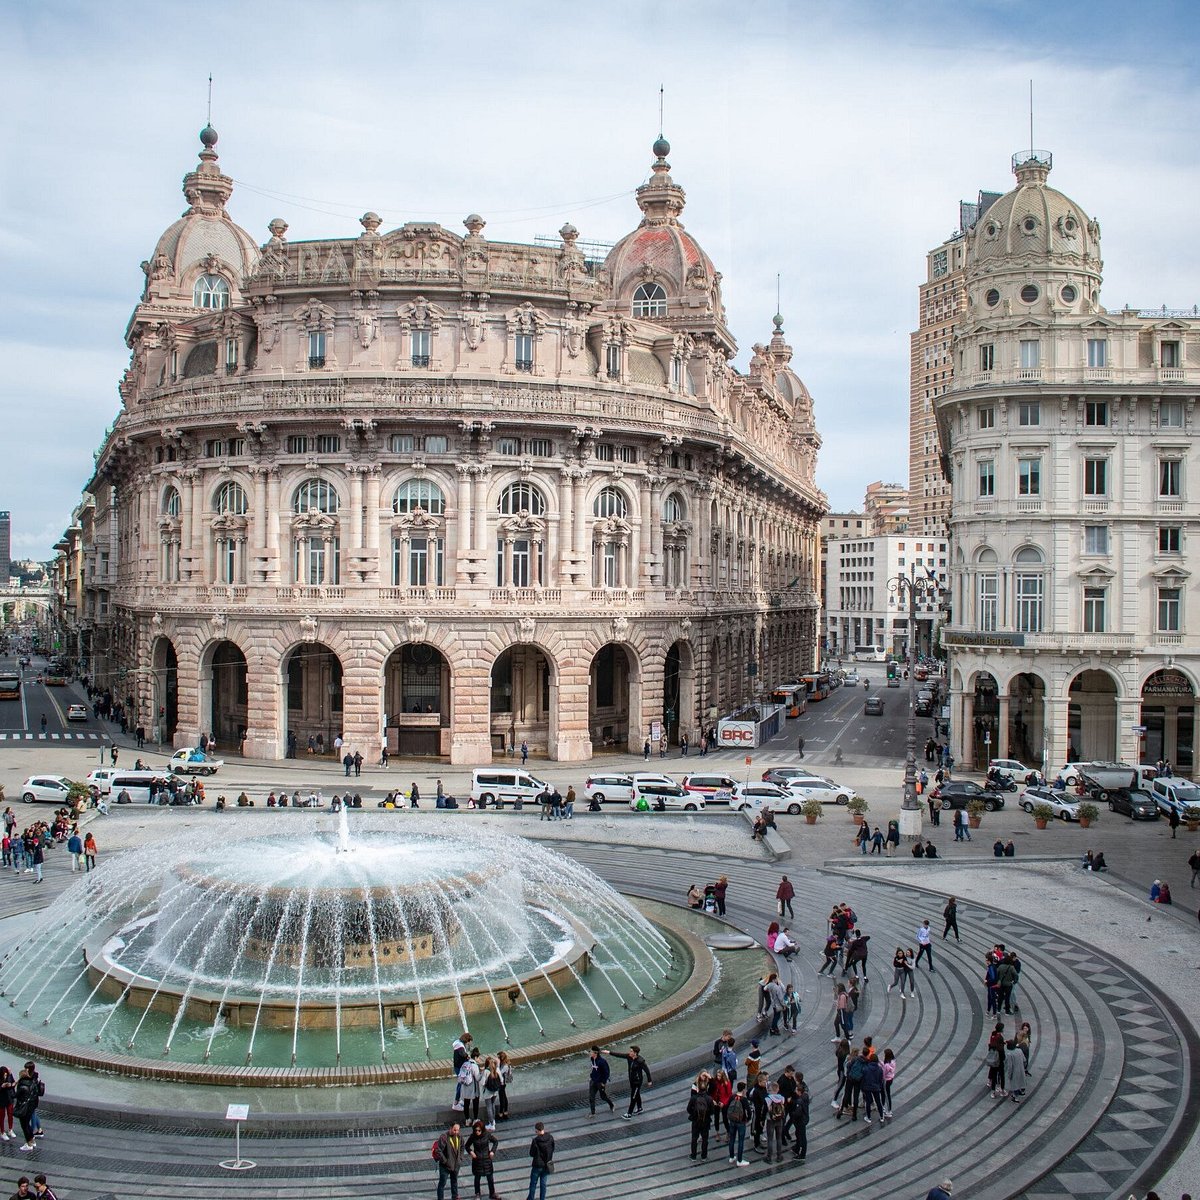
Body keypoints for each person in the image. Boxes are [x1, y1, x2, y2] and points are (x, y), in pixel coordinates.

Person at [464, 1119, 499, 1199]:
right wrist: (471, 1152)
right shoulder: (473, 1136)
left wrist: (492, 1151)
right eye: (476, 1130)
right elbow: (467, 1146)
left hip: (487, 1159)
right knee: (477, 1178)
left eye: (479, 1130)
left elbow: (495, 1141)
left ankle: (492, 1193)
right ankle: (477, 1194)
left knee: (490, 1178)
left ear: (482, 1130)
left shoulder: (487, 1134)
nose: (477, 1132)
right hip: (477, 1160)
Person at [433, 1122, 464, 1200]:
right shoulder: (444, 1137)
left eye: (458, 1130)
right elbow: (438, 1150)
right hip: (445, 1166)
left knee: (454, 1181)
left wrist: (460, 1158)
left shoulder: (459, 1137)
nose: (456, 1132)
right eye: (454, 1130)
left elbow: (462, 1146)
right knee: (442, 1184)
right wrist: (445, 1161)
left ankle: (455, 1196)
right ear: (450, 1128)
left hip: (456, 1165)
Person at [526, 1120, 554, 1200]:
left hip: (537, 1165)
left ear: (537, 1130)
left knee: (533, 1184)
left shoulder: (535, 1141)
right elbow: (552, 1149)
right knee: (543, 1184)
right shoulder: (550, 1138)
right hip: (546, 1165)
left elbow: (531, 1153)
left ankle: (531, 1198)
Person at [687, 1076, 713, 1159]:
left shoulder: (694, 1098)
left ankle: (693, 1156)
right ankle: (704, 1156)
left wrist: (694, 1114)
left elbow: (688, 1109)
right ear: (706, 1089)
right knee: (705, 1139)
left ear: (698, 1089)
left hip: (695, 1121)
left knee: (694, 1138)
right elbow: (712, 1111)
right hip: (706, 1121)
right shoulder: (709, 1099)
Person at [726, 1080, 750, 1165]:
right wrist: (748, 1119)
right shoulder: (744, 1100)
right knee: (740, 1141)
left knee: (732, 1139)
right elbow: (749, 1111)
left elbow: (727, 1106)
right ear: (743, 1090)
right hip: (741, 1121)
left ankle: (731, 1157)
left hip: (732, 1121)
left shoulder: (732, 1097)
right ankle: (739, 1160)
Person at [587, 1046, 613, 1115]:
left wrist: (603, 1082)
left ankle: (611, 1105)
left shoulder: (602, 1062)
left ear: (595, 1053)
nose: (590, 1052)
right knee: (591, 1097)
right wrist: (591, 1076)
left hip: (600, 1082)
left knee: (603, 1097)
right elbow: (593, 1068)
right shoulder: (592, 1059)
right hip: (593, 1081)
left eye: (591, 1051)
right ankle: (593, 1113)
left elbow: (607, 1072)